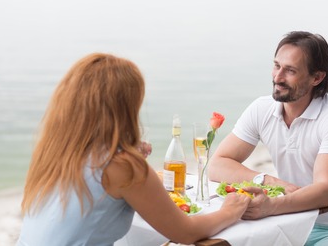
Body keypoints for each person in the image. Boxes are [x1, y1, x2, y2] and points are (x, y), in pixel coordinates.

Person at [16, 53, 251, 246]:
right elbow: (186, 233)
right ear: (125, 106)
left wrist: (122, 150)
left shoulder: (56, 152)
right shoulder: (123, 167)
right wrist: (229, 211)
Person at [208, 31, 328, 245]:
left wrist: (270, 206)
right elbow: (217, 165)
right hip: (290, 222)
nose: (277, 78)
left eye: (290, 71)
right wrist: (267, 180)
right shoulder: (262, 109)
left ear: (317, 77)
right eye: (277, 66)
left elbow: (324, 191)